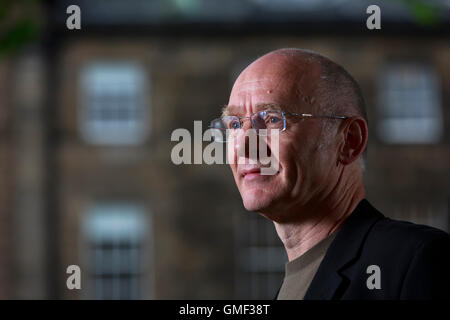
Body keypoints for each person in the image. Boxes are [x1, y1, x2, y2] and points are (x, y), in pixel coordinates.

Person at [213, 48, 450, 299]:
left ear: (349, 141)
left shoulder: (418, 262)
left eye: (271, 119)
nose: (244, 146)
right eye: (236, 125)